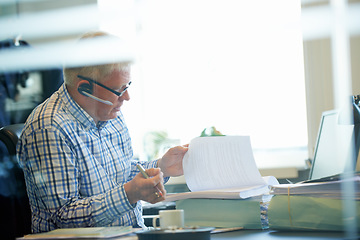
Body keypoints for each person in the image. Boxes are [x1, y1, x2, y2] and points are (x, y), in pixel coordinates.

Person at [17, 31, 188, 233]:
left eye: (128, 86)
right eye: (118, 89)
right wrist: (129, 195)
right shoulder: (49, 128)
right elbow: (62, 218)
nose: (127, 97)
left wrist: (161, 167)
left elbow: (119, 174)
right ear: (85, 89)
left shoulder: (110, 113)